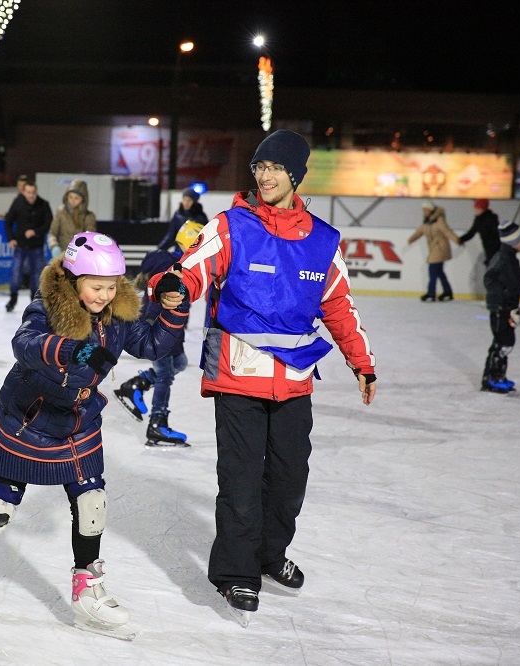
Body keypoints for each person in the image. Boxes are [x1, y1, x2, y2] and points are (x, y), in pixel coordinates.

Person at [147, 129, 376, 623]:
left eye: (275, 168)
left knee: (291, 477)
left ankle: (269, 555)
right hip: (237, 376)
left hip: (293, 380)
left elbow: (339, 306)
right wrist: (171, 285)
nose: (265, 175)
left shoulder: (322, 240)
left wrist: (362, 361)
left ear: (295, 175)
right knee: (242, 480)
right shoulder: (232, 225)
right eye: (260, 167)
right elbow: (192, 268)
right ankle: (235, 572)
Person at [0, 232, 189, 639]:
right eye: (96, 287)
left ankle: (88, 586)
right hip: (29, 417)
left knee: (92, 502)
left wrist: (172, 309)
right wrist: (71, 350)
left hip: (78, 421)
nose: (104, 295)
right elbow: (24, 342)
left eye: (112, 286)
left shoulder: (115, 315)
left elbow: (153, 344)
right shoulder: (47, 307)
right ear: (75, 280)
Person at [115, 220, 204, 447]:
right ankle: (157, 423)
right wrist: (154, 325)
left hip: (174, 327)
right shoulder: (170, 263)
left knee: (180, 363)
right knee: (165, 374)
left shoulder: (178, 263)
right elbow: (159, 295)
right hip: (159, 324)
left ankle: (136, 385)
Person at [481, 219, 520, 393]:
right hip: (500, 309)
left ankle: (498, 375)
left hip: (506, 308)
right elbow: (490, 280)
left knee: (505, 343)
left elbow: (512, 286)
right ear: (512, 241)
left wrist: (513, 307)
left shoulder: (509, 259)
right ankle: (491, 379)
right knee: (502, 343)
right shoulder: (502, 259)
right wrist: (503, 303)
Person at [3, 179, 52, 312]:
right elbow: (8, 221)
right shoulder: (18, 203)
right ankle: (13, 299)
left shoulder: (43, 204)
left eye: (33, 192)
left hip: (37, 247)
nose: (31, 195)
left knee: (37, 277)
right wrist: (11, 238)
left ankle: (35, 302)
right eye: (28, 192)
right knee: (15, 274)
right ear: (24, 192)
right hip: (20, 247)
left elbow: (48, 223)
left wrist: (35, 232)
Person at [408, 203, 462, 301]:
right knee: (439, 272)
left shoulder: (439, 221)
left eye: (426, 210)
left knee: (432, 270)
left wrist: (456, 239)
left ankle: (431, 293)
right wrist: (411, 239)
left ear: (431, 210)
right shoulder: (426, 222)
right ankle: (447, 292)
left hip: (441, 248)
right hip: (434, 248)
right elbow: (420, 231)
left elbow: (447, 232)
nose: (424, 212)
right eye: (423, 210)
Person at [47, 180, 97, 261]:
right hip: (61, 256)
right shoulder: (60, 211)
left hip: (79, 258)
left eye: (76, 198)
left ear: (83, 200)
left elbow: (89, 240)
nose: (72, 200)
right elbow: (52, 233)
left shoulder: (89, 217)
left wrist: (81, 253)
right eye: (70, 197)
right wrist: (54, 246)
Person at [157, 187, 209, 252]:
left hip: (195, 253)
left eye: (189, 200)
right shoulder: (178, 215)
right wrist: (160, 249)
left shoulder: (201, 217)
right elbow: (171, 235)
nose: (186, 203)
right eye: (184, 200)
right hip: (179, 252)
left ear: (194, 202)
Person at [459, 199, 501, 267]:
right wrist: (461, 239)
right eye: (475, 208)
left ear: (483, 209)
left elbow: (497, 233)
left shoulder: (491, 218)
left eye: (478, 208)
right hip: (487, 247)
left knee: (493, 268)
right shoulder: (478, 220)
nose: (475, 210)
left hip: (495, 247)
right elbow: (471, 233)